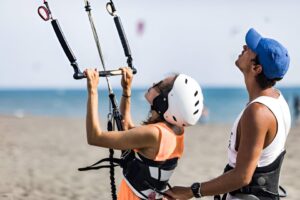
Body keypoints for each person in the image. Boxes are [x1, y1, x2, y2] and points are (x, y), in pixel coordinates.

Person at [165, 28, 291, 200]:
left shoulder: (258, 112)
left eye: (250, 49)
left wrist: (191, 191)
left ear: (256, 68)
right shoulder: (277, 99)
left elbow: (242, 176)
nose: (244, 47)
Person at [83, 67, 204, 200]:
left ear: (165, 100)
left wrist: (93, 90)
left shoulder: (154, 134)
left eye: (159, 85)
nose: (153, 84)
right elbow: (129, 132)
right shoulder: (175, 132)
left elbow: (94, 137)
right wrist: (126, 90)